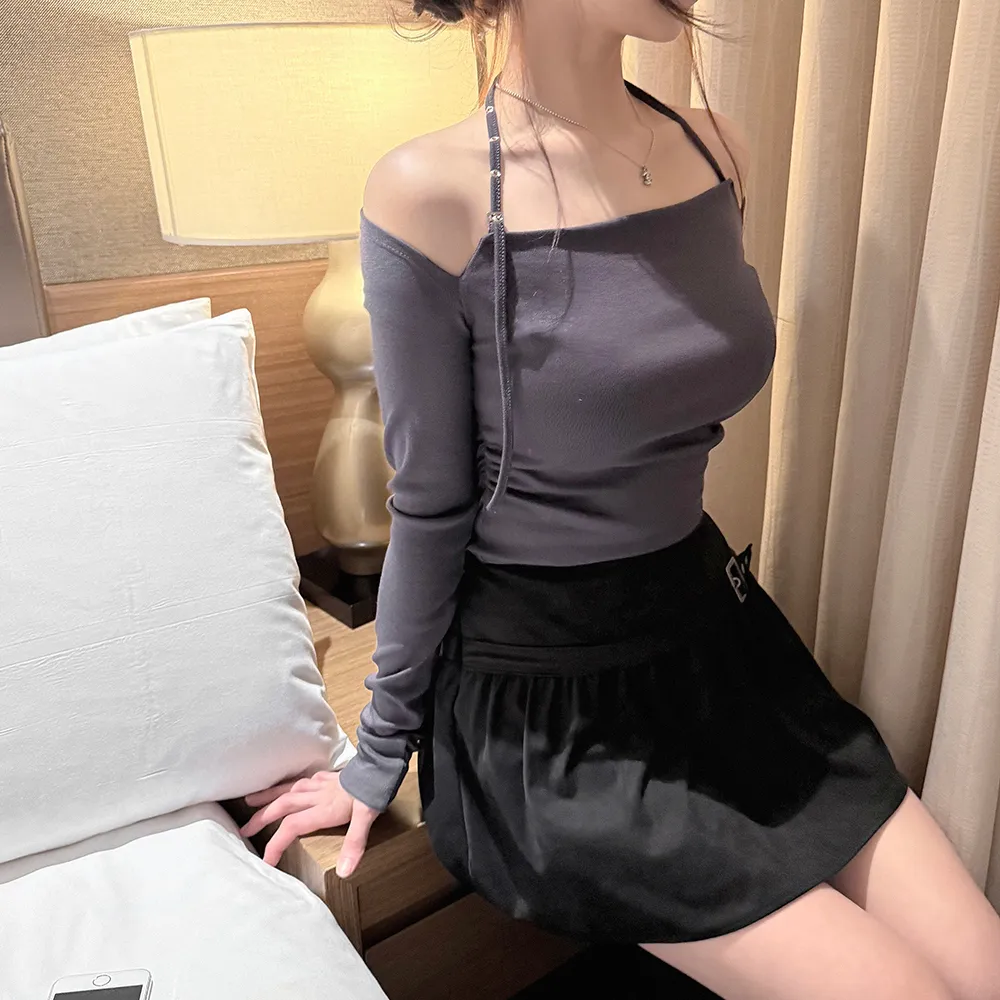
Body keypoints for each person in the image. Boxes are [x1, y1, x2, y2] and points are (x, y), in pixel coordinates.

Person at [242, 1, 1000, 996]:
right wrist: (378, 751)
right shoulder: (429, 194)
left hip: (721, 651)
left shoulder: (714, 149)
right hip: (552, 710)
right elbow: (429, 505)